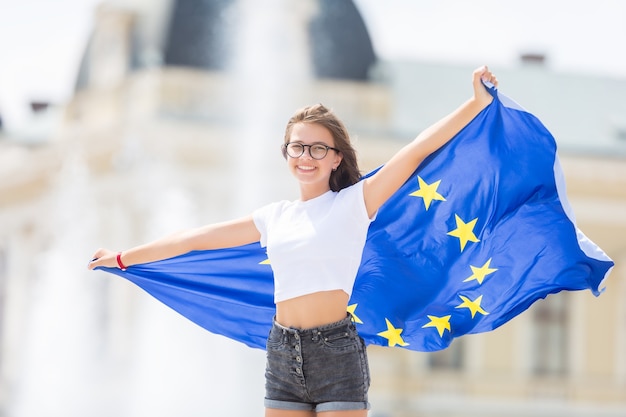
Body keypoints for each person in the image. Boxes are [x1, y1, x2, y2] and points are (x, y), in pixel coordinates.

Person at [89, 66, 498, 416]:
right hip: (282, 350)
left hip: (336, 351)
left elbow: (415, 152)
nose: (306, 156)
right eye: (297, 147)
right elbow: (195, 239)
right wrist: (122, 258)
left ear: (337, 157)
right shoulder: (274, 217)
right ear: (286, 154)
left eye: (318, 148)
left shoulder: (355, 202)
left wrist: (475, 103)